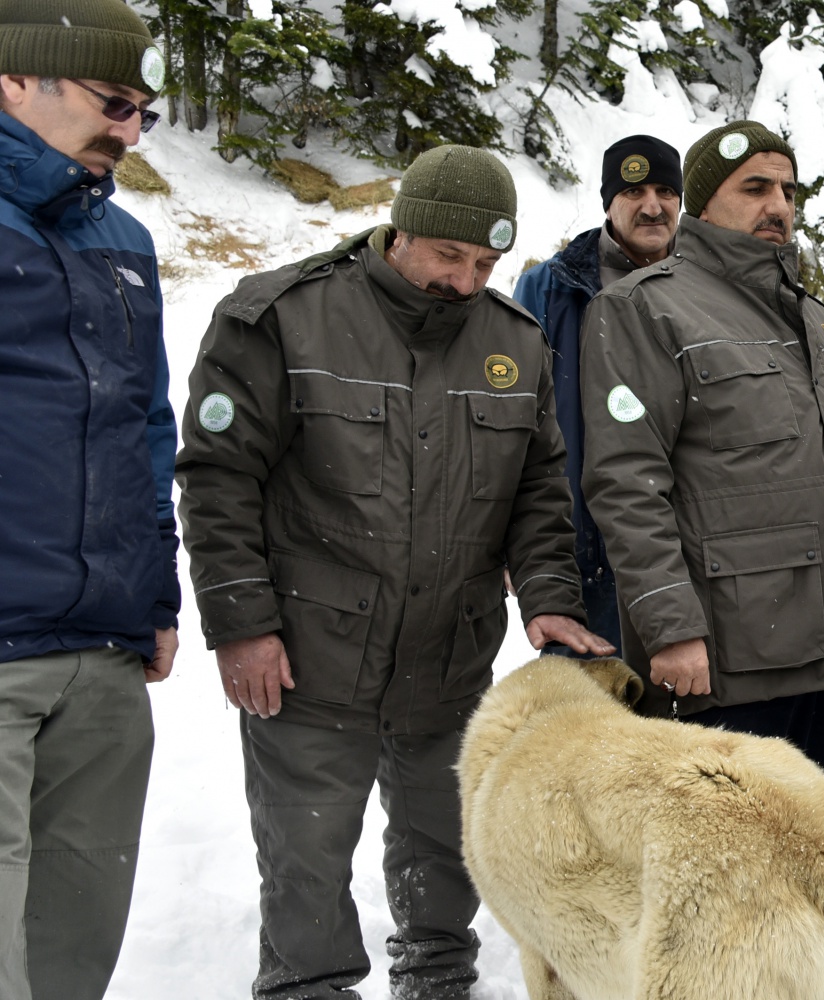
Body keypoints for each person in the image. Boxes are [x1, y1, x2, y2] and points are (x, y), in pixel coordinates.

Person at [176, 145, 614, 1000]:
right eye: (450, 257)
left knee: (444, 846)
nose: (465, 281)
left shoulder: (512, 342)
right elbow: (219, 477)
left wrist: (552, 599)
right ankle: (309, 984)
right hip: (308, 654)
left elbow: (536, 489)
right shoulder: (282, 316)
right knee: (306, 854)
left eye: (485, 264)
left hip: (447, 658)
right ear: (400, 228)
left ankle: (440, 976)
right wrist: (241, 625)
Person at [579, 120, 824, 795]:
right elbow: (625, 482)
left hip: (818, 647)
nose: (778, 206)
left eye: (787, 190)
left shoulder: (813, 319)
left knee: (813, 855)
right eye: (754, 188)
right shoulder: (644, 309)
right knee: (734, 871)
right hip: (724, 657)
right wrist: (671, 631)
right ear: (703, 204)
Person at [0, 3, 177, 998]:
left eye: (144, 112)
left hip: (101, 659)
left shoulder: (125, 242)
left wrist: (155, 594)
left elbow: (146, 425)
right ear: (15, 82)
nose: (129, 130)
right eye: (115, 104)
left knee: (71, 954)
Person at [513, 134, 683, 652]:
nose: (652, 206)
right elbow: (516, 423)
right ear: (608, 202)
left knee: (688, 721)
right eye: (633, 192)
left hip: (691, 549)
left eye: (664, 191)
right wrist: (518, 543)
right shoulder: (550, 288)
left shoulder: (709, 281)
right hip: (583, 549)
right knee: (590, 715)